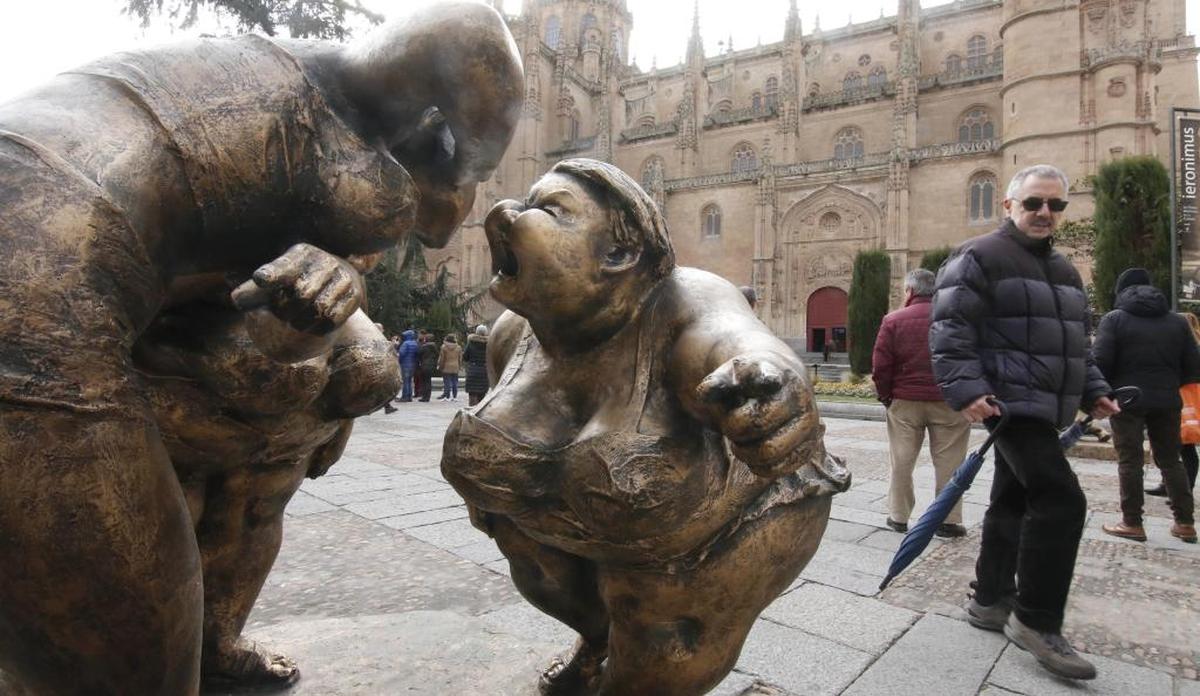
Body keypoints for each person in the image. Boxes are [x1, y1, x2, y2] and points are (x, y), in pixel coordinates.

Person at [0, 2, 523, 692]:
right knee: (135, 651)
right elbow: (444, 188)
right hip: (40, 282)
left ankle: (214, 638)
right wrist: (461, 174)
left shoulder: (256, 71)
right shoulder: (354, 167)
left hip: (50, 226)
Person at [442, 158, 848, 695]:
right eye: (523, 200)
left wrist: (774, 381)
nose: (505, 213)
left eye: (548, 209)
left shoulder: (685, 298)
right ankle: (598, 643)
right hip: (582, 531)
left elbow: (734, 340)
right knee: (558, 581)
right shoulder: (513, 332)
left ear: (618, 253)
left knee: (651, 650)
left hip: (722, 525)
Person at [930, 164, 1119, 681]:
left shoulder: (1063, 269)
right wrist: (967, 390)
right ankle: (1036, 620)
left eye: (1055, 205)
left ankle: (991, 600)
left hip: (1044, 402)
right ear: (1008, 205)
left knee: (1013, 498)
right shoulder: (979, 255)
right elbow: (950, 327)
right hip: (1008, 402)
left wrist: (1095, 391)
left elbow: (1074, 344)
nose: (1045, 213)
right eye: (1034, 202)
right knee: (1062, 498)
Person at [1092, 268, 1198, 543]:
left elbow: (1100, 362)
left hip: (1126, 400)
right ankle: (1185, 523)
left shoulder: (1114, 320)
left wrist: (1105, 392)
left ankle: (1132, 522)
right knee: (1170, 460)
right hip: (1167, 400)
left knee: (1130, 460)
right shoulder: (1177, 322)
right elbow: (1193, 366)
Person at [872, 268, 971, 538]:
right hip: (949, 401)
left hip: (905, 401)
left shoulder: (893, 320)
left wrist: (886, 396)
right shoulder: (955, 320)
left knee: (902, 460)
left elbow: (881, 365)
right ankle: (948, 521)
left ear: (910, 291)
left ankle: (898, 516)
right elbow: (968, 359)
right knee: (950, 462)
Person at [1148, 311, 1200, 496]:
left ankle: (1183, 490)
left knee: (1183, 446)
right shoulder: (1187, 347)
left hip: (1185, 400)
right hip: (1179, 398)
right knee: (1175, 445)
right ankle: (1171, 485)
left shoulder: (1191, 349)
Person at [463, 324, 490, 406]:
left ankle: (472, 411)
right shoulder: (489, 344)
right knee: (482, 393)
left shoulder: (471, 343)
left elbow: (465, 357)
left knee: (472, 394)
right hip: (484, 371)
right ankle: (480, 411)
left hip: (473, 370)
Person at [438, 333, 463, 401]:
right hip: (455, 366)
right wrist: (460, 366)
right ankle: (454, 396)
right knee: (455, 382)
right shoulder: (459, 347)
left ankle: (447, 396)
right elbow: (460, 358)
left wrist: (440, 366)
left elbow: (442, 358)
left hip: (446, 366)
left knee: (447, 382)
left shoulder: (444, 347)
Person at [397, 329, 420, 402]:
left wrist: (399, 361)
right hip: (413, 364)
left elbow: (401, 353)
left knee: (405, 381)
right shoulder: (415, 343)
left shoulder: (405, 343)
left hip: (405, 364)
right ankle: (409, 396)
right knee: (410, 381)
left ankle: (405, 396)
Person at [418, 332, 439, 402]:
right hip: (432, 366)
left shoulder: (424, 347)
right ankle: (427, 396)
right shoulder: (434, 347)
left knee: (424, 381)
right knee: (428, 381)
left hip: (424, 365)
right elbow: (437, 355)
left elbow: (419, 355)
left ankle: (424, 397)